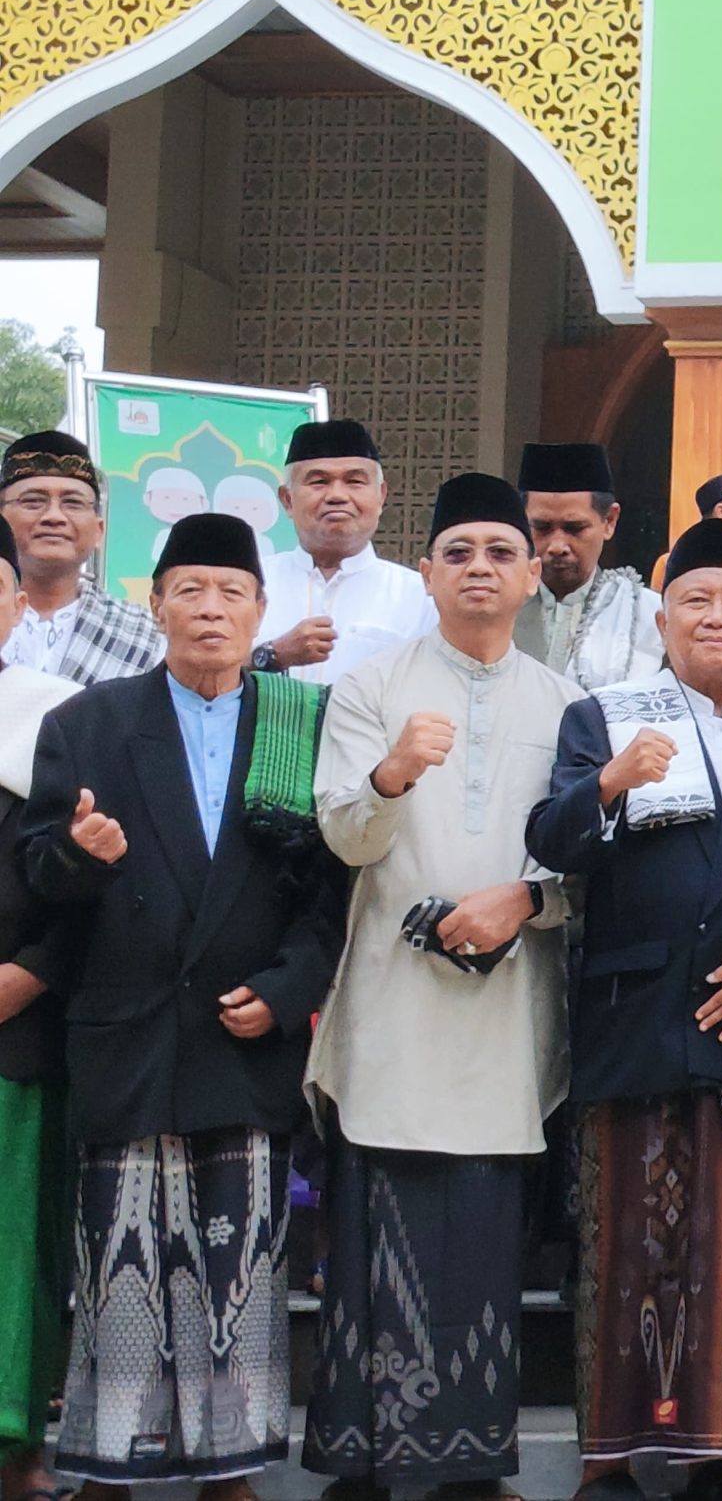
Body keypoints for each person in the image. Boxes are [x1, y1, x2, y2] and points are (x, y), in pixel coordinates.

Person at [19, 512, 345, 1498]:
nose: (210, 609)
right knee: (117, 1258)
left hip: (243, 1028)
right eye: (190, 591)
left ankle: (230, 1465)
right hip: (127, 1027)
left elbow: (331, 890)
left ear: (259, 609)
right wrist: (83, 855)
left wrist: (289, 992)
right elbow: (38, 869)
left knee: (240, 1262)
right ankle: (111, 1460)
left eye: (231, 592)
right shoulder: (88, 721)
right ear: (154, 604)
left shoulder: (297, 719)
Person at [302, 473, 581, 1500]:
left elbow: (588, 858)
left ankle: (472, 1463)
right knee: (379, 1238)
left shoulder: (566, 705)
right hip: (393, 1007)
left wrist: (529, 901)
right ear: (425, 572)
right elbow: (340, 834)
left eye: (498, 553)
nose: (477, 568)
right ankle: (366, 1462)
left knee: (480, 1242)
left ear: (528, 573)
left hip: (505, 1015)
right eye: (457, 551)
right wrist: (390, 775)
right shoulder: (370, 690)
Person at [525, 518, 722, 1501]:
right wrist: (611, 781)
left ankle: (718, 1455)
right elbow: (553, 838)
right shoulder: (604, 717)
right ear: (663, 616)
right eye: (698, 599)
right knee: (620, 1251)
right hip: (632, 1011)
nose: (718, 616)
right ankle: (606, 1457)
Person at [0, 518, 76, 1501]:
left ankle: (14, 1447)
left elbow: (88, 880)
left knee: (14, 1249)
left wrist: (22, 975)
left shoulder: (51, 714)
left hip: (13, 1026)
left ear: (18, 601)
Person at [252, 418, 437, 684]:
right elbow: (188, 680)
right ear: (287, 500)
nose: (337, 495)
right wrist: (273, 655)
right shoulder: (248, 586)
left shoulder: (421, 598)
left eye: (354, 481)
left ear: (381, 496)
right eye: (318, 481)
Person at [0, 431, 162, 684]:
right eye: (33, 501)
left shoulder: (145, 635)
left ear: (99, 531)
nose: (54, 516)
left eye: (73, 503)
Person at [515, 441, 664, 689]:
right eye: (542, 528)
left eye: (574, 529)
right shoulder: (495, 606)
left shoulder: (647, 615)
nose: (557, 545)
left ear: (610, 521)